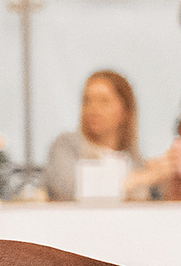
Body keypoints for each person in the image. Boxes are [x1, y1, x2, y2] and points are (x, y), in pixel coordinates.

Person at [42, 70, 139, 200]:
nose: (94, 109)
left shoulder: (133, 158)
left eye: (104, 101)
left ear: (125, 110)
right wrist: (135, 181)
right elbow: (70, 189)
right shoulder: (66, 145)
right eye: (87, 100)